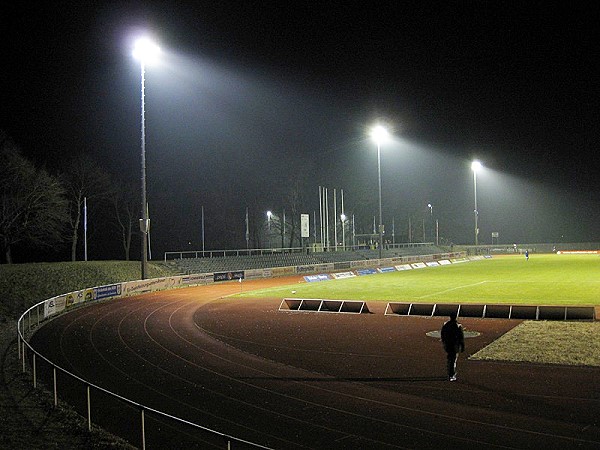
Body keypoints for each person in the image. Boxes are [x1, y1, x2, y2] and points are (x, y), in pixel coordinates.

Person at [440, 312, 465, 381]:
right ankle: (451, 374)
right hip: (455, 345)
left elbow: (442, 334)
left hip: (448, 344)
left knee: (449, 359)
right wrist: (462, 346)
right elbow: (461, 337)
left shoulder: (446, 325)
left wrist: (444, 342)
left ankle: (449, 373)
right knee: (453, 360)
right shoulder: (458, 325)